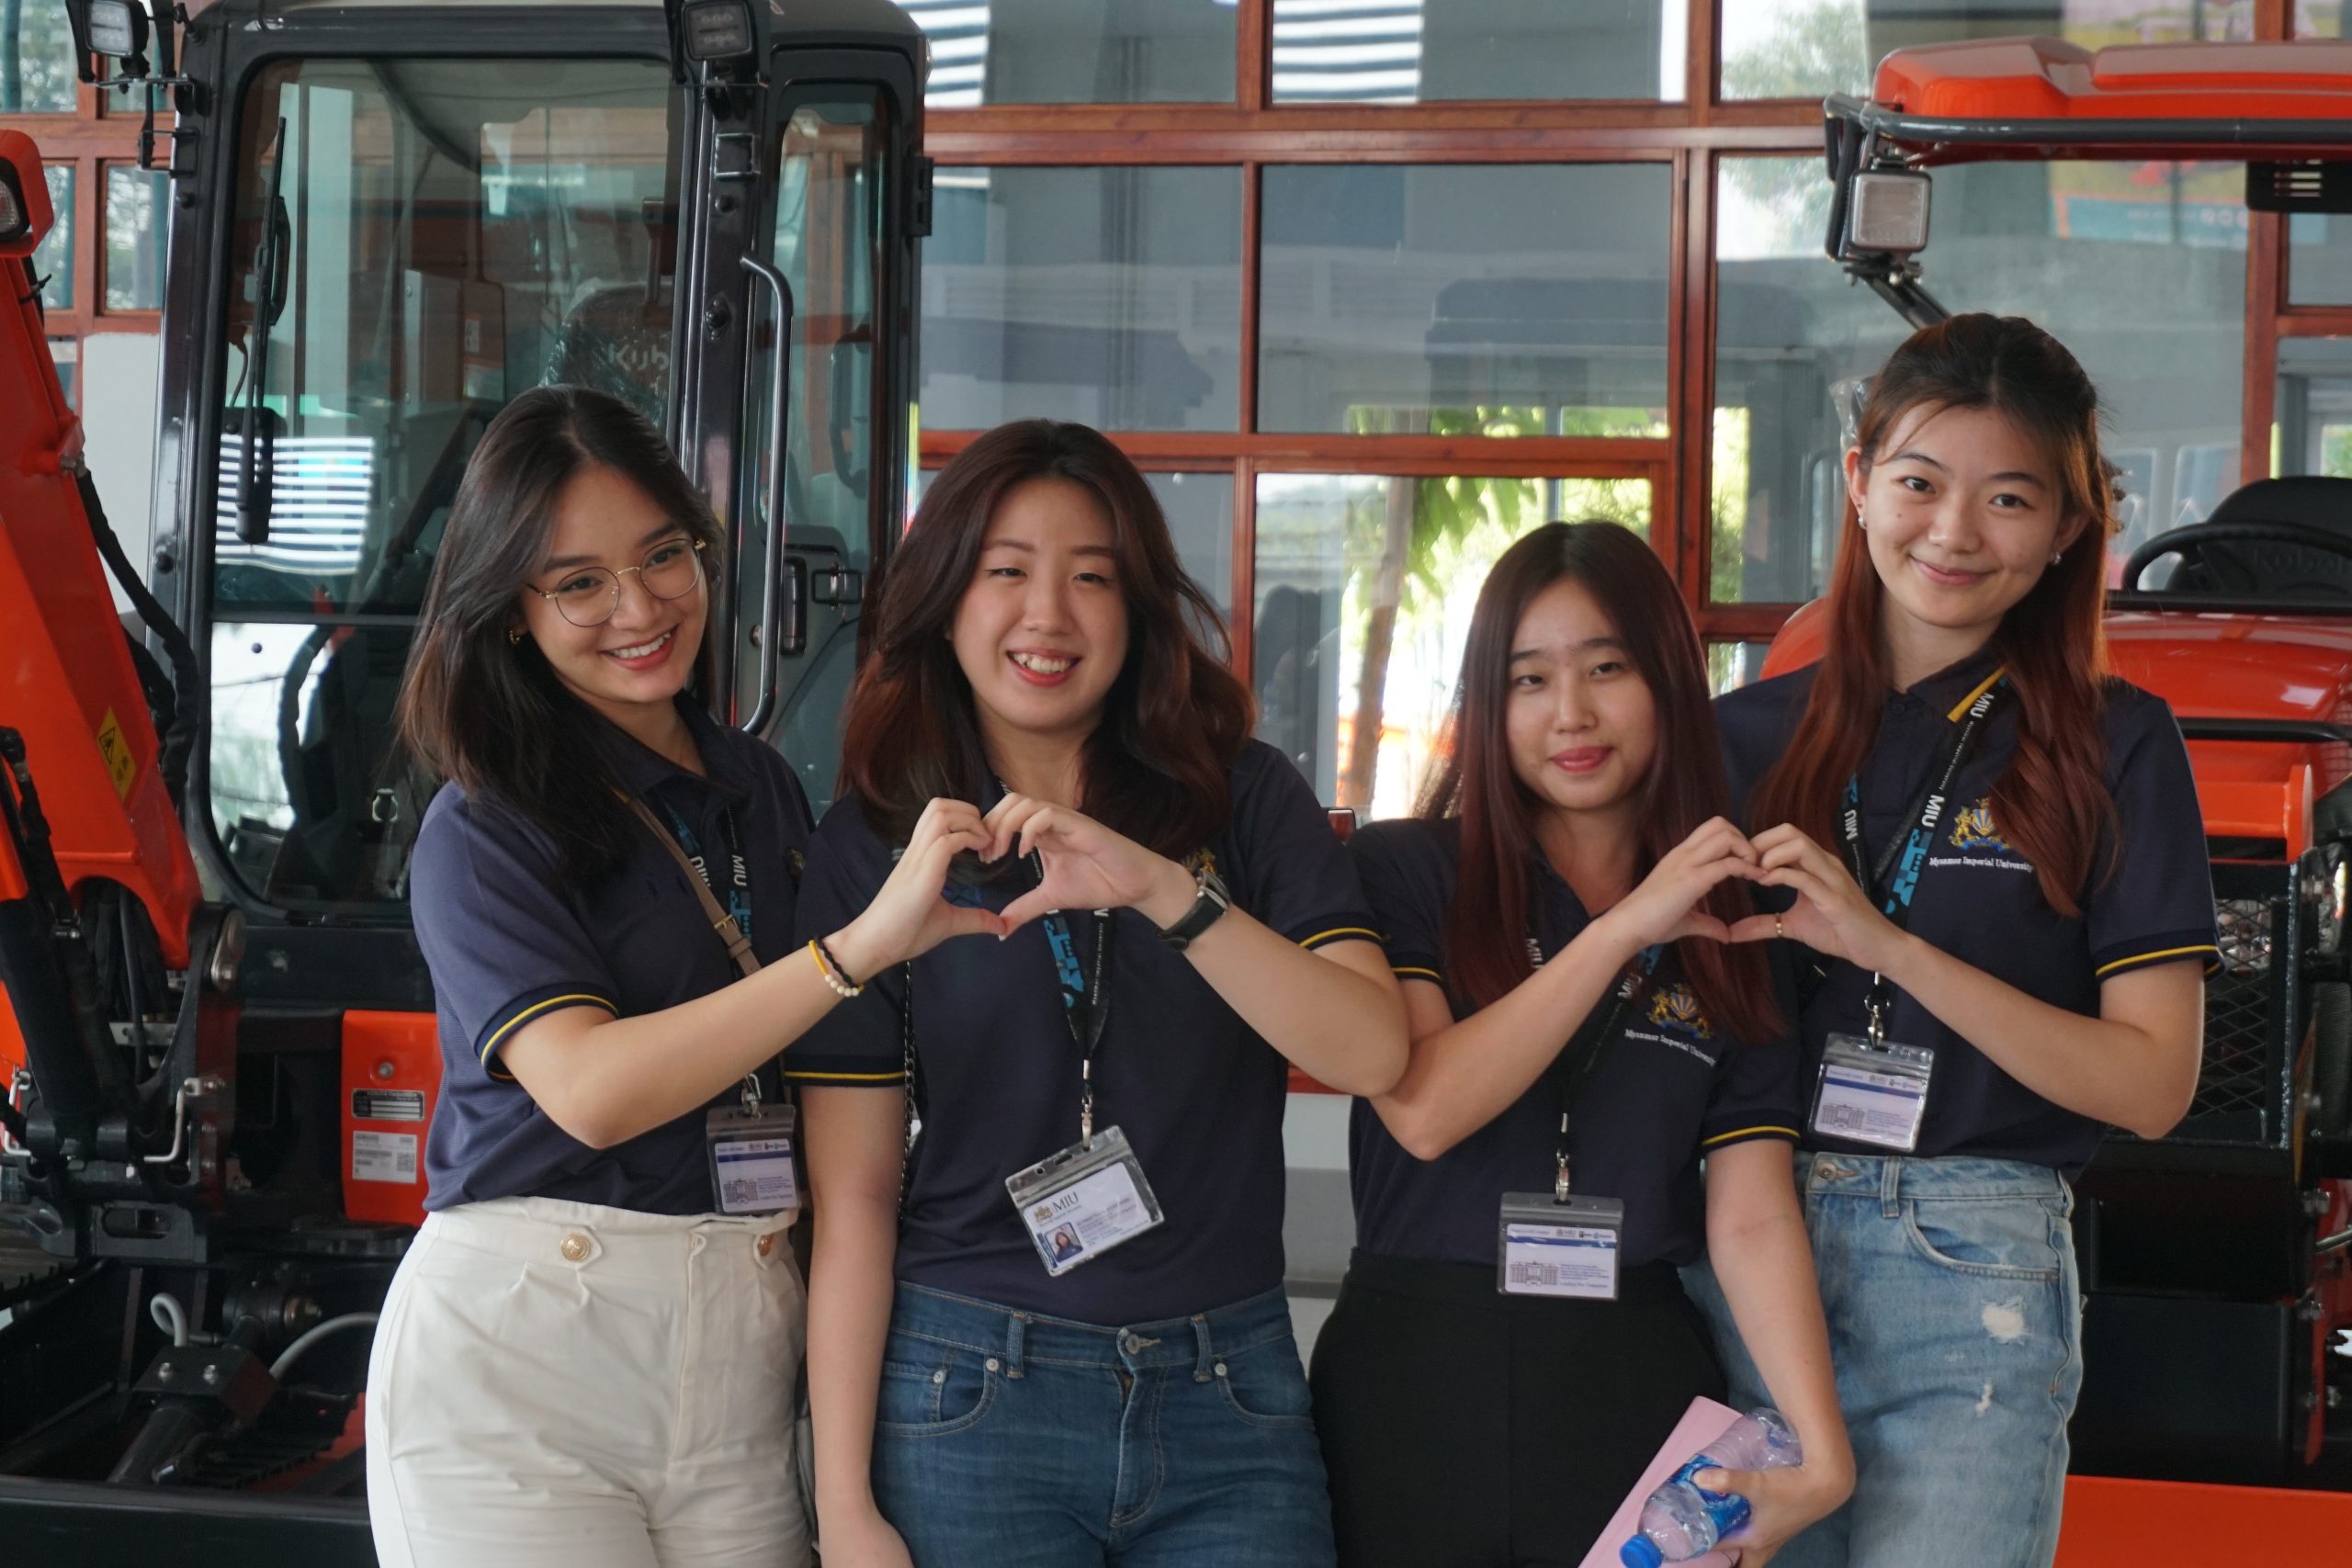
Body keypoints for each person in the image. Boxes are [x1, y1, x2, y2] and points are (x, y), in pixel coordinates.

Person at [369, 386, 1003, 1568]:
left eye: (663, 555)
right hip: (527, 1361)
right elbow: (594, 1091)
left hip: (741, 1340)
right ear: (512, 613)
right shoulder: (484, 825)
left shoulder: (757, 788)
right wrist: (855, 951)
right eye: (579, 583)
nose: (640, 607)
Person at [789, 419, 1409, 1568]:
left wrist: (1170, 893)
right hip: (969, 1388)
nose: (1048, 616)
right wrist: (843, 1506)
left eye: (1091, 577)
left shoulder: (1240, 801)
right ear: (945, 598)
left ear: (1139, 608)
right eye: (1006, 572)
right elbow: (855, 1197)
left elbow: (1373, 1051)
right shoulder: (876, 842)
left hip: (1230, 1393)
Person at [1695, 314, 2217, 1568]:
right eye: (1920, 483)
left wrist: (1886, 945)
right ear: (1859, 479)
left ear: (2070, 528)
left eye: (2009, 498)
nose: (1954, 531)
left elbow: (2153, 1084)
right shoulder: (1736, 739)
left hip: (1974, 1260)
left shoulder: (2116, 744)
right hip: (1744, 1248)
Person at [1310, 522, 1853, 1568]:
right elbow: (1425, 1110)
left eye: (1607, 668)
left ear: (1668, 683)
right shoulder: (1405, 870)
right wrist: (1623, 930)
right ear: (1489, 703)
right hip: (1411, 1377)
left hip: (1632, 1385)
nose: (1570, 713)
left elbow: (1749, 1213)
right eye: (1528, 680)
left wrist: (1821, 1450)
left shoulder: (1737, 923)